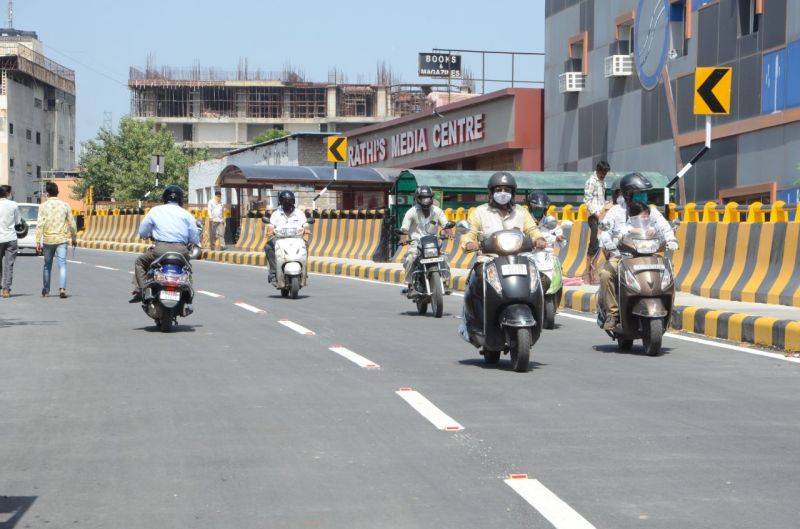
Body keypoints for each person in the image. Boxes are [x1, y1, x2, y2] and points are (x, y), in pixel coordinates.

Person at [459, 172, 547, 337]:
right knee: (475, 281)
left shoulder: (521, 212)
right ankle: (471, 321)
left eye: (507, 189)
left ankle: (537, 317)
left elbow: (532, 230)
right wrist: (470, 243)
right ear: (491, 192)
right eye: (498, 189)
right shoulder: (479, 212)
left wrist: (539, 238)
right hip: (489, 259)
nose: (502, 193)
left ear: (513, 193)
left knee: (542, 279)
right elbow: (468, 234)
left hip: (519, 259)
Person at [598, 172, 678, 330]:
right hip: (622, 256)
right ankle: (613, 315)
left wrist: (671, 240)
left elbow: (664, 227)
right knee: (606, 274)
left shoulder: (651, 211)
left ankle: (671, 310)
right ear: (628, 195)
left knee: (669, 270)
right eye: (640, 194)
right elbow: (605, 232)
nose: (644, 197)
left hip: (648, 253)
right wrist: (610, 245)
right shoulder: (615, 212)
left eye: (645, 194)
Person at [129, 185, 199, 303]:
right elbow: (194, 236)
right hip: (181, 251)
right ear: (181, 199)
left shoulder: (155, 210)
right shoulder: (186, 214)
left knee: (139, 262)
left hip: (160, 250)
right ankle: (188, 294)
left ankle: (141, 290)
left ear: (164, 198)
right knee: (187, 269)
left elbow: (143, 231)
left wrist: (145, 235)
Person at [398, 185, 453, 296]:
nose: (425, 200)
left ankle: (444, 282)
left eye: (428, 197)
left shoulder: (437, 211)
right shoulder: (411, 212)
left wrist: (449, 231)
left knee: (445, 257)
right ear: (418, 198)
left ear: (431, 198)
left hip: (433, 242)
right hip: (416, 243)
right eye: (423, 197)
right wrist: (403, 238)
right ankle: (411, 285)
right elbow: (404, 229)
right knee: (410, 258)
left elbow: (445, 224)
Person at [36, 181, 77, 298]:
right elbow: (72, 224)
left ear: (47, 193)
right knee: (62, 265)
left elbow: (40, 224)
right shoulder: (65, 205)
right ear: (57, 192)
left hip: (48, 239)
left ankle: (46, 290)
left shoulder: (43, 206)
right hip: (62, 239)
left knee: (47, 265)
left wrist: (38, 241)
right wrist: (74, 238)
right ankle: (62, 289)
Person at [265, 190, 309, 286]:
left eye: (289, 201)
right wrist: (270, 230)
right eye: (285, 201)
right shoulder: (276, 213)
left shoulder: (299, 213)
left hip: (297, 239)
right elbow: (271, 225)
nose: (287, 203)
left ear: (293, 201)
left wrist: (306, 229)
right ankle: (273, 272)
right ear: (281, 202)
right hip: (279, 239)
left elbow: (305, 224)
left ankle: (304, 270)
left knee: (306, 245)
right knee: (268, 247)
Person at [583, 160, 611, 284]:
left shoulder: (603, 182)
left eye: (605, 174)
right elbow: (587, 200)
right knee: (594, 244)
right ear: (598, 170)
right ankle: (589, 274)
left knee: (604, 243)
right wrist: (597, 214)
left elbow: (602, 199)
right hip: (594, 218)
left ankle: (601, 272)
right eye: (602, 173)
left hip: (602, 217)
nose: (603, 175)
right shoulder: (591, 182)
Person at [0, 184, 22, 298]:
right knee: (9, 265)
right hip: (10, 238)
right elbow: (18, 224)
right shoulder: (14, 205)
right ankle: (6, 290)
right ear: (8, 193)